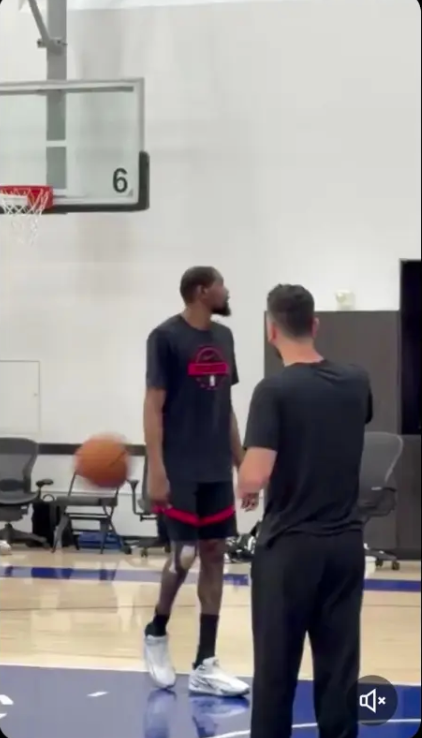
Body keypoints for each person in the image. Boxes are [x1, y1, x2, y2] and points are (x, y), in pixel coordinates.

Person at [237, 284, 373, 738]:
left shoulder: (273, 390)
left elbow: (255, 475)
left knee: (276, 674)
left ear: (270, 330)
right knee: (339, 672)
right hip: (346, 545)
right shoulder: (356, 381)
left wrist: (244, 479)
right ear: (315, 324)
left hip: (290, 549)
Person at [143, 266, 249, 697]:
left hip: (215, 467)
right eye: (222, 284)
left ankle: (206, 662)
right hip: (179, 466)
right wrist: (156, 468)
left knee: (215, 554)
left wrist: (242, 463)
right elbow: (153, 406)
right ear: (203, 291)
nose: (227, 290)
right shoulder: (165, 337)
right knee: (184, 554)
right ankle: (157, 629)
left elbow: (226, 405)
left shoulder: (224, 337)